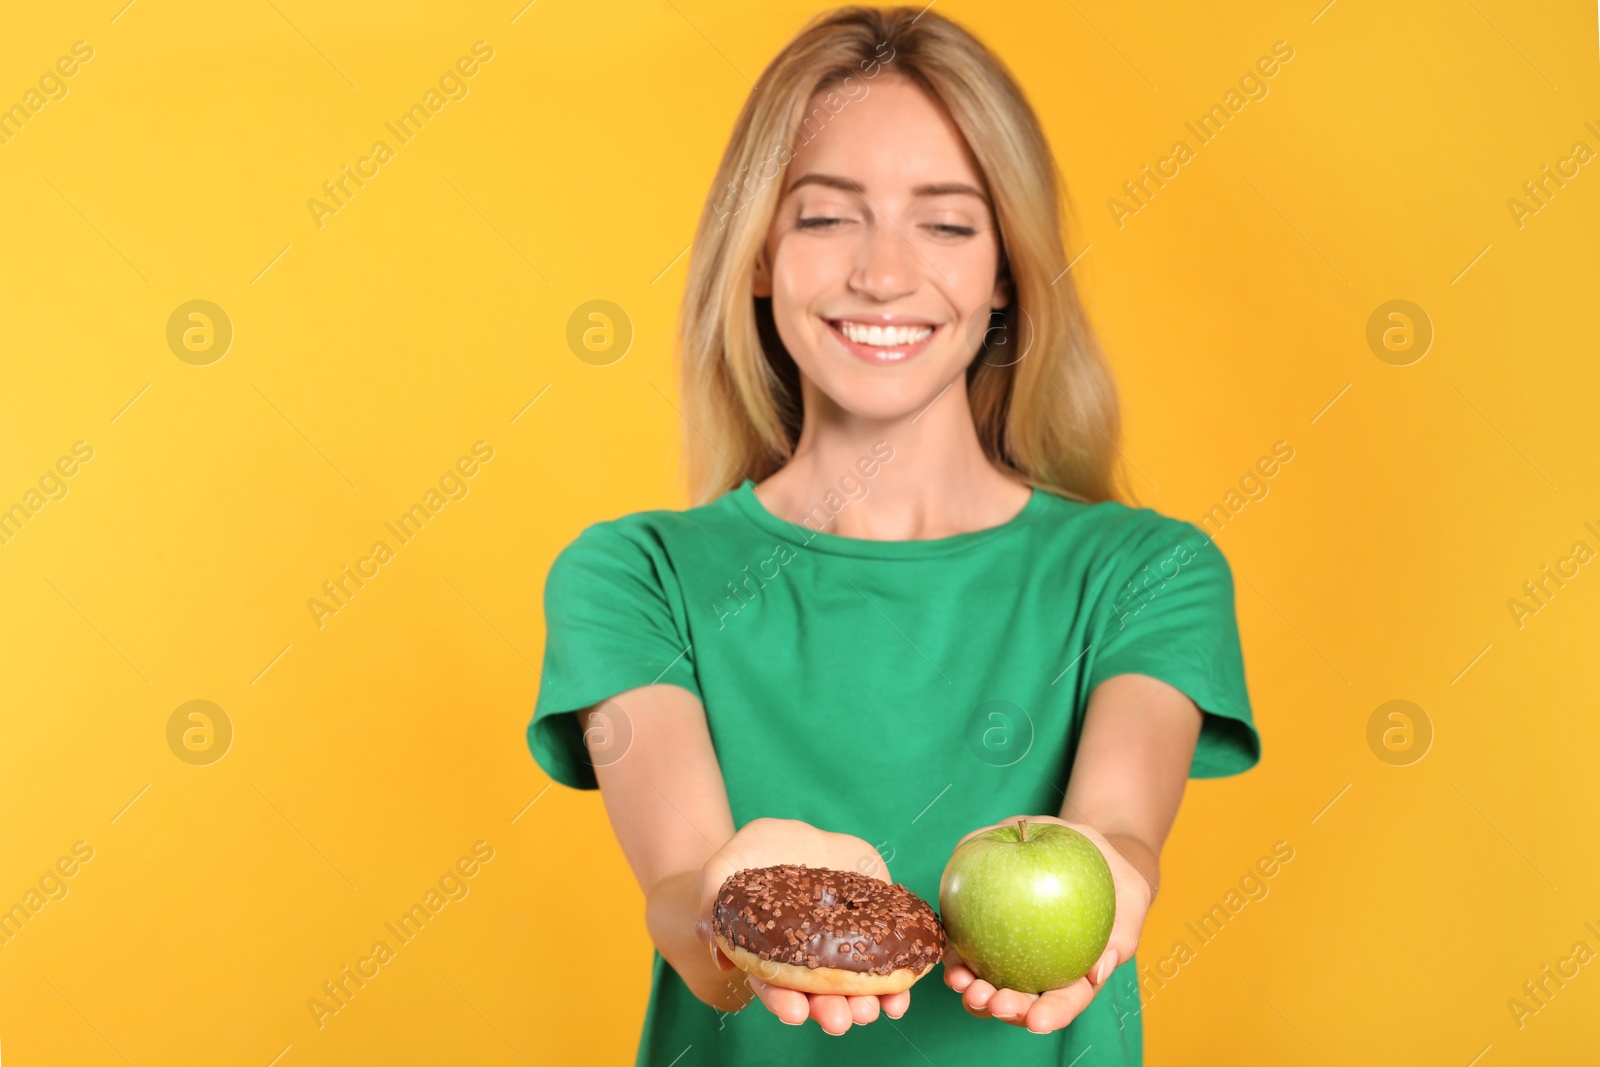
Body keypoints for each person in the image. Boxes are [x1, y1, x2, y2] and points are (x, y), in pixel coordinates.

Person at [526, 6, 1260, 1064]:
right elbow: (682, 893)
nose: (882, 272)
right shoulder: (632, 576)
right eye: (827, 217)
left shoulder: (1148, 573)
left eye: (947, 223)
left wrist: (1112, 890)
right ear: (762, 253)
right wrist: (736, 891)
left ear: (1004, 270)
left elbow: (1121, 834)